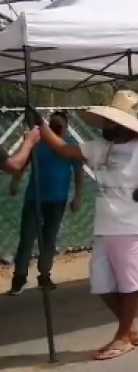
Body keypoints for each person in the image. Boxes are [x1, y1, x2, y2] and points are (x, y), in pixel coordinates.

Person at [36, 90, 138, 361]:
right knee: (101, 283)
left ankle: (124, 336)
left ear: (124, 124)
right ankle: (130, 328)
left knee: (130, 284)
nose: (105, 126)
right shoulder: (100, 146)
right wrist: (41, 127)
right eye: (105, 122)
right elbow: (64, 150)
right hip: (105, 226)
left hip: (132, 226)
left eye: (110, 122)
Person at [8, 111, 84, 295]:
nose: (56, 129)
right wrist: (15, 182)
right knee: (27, 238)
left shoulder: (71, 146)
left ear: (66, 128)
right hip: (35, 198)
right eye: (53, 125)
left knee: (49, 239)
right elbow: (23, 163)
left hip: (57, 200)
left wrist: (78, 197)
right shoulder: (38, 144)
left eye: (60, 126)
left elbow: (79, 173)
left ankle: (44, 275)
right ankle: (19, 277)